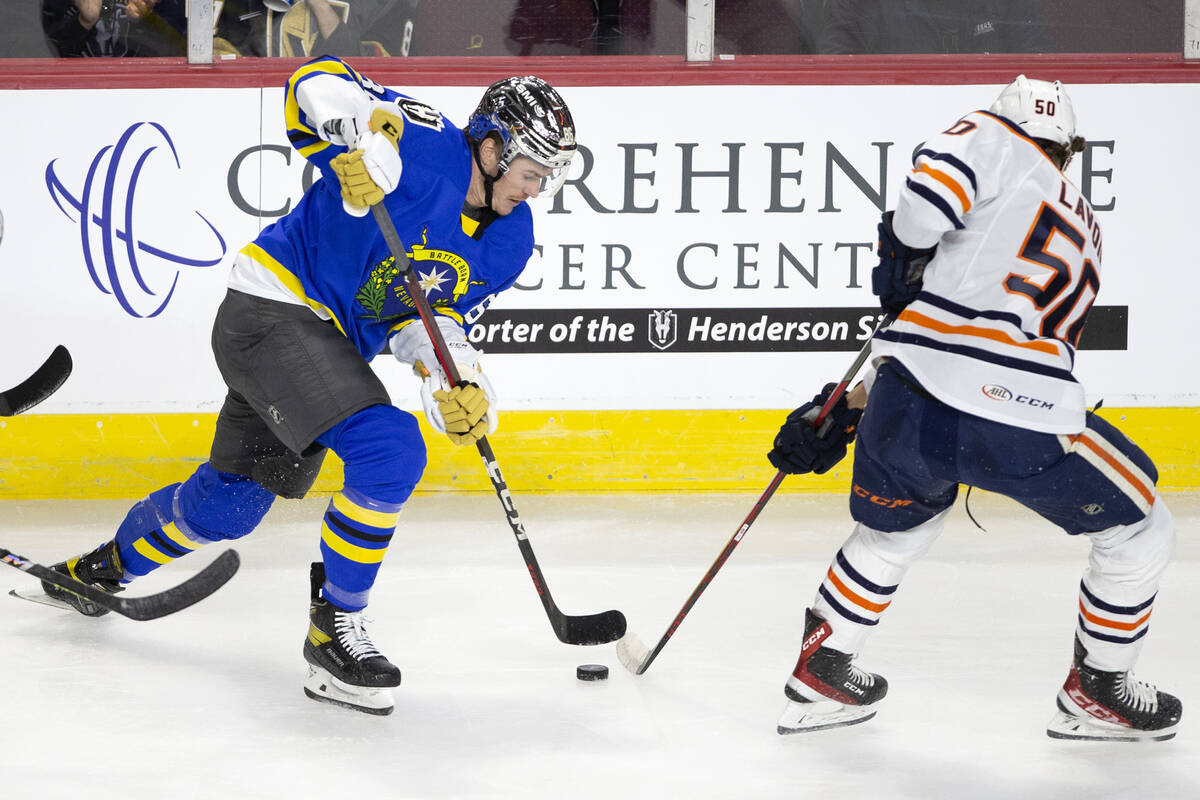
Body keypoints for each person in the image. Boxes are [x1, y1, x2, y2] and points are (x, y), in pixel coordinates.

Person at [38, 55, 577, 716]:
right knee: (391, 451)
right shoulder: (426, 140)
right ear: (493, 149)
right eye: (531, 171)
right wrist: (366, 137)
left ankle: (97, 571)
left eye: (546, 176)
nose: (537, 187)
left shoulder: (511, 242)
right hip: (271, 310)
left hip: (317, 348)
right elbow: (311, 85)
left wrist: (457, 378)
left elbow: (427, 319)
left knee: (229, 508)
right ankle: (335, 630)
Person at [767, 75, 1182, 741]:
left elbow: (926, 212)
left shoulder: (992, 137)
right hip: (1018, 414)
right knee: (1142, 529)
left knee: (895, 532)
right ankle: (1099, 689)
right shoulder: (1082, 219)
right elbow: (988, 337)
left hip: (905, 400)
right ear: (1066, 150)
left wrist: (846, 405)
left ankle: (825, 672)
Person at [817, 0, 1048, 54]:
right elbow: (835, 73)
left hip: (990, 131)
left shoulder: (1007, 5)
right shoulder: (860, 5)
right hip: (891, 127)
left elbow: (1040, 65)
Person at [42, 0, 186, 56]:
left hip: (141, 89)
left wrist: (148, 20)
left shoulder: (167, 4)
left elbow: (182, 51)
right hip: (80, 89)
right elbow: (52, 47)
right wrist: (83, 22)